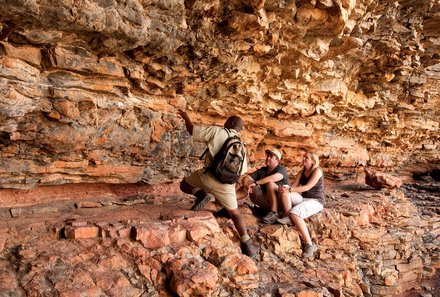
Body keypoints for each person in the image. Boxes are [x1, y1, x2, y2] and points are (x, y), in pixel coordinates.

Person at [177, 109, 259, 258]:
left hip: (206, 177)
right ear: (239, 129)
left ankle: (201, 193)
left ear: (229, 123)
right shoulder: (241, 145)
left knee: (184, 184)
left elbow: (192, 131)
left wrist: (186, 117)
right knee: (235, 214)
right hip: (226, 185)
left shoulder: (217, 132)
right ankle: (248, 244)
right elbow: (241, 172)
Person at [278, 151, 325, 258]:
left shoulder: (317, 171)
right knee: (285, 189)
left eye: (306, 158)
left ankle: (310, 244)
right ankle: (287, 215)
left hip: (316, 201)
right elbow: (293, 187)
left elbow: (307, 187)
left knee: (295, 213)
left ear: (313, 161)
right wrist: (284, 188)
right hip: (304, 199)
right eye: (303, 157)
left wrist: (289, 189)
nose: (304, 159)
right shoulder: (301, 172)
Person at [239, 149, 290, 224]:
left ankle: (274, 213)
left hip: (281, 202)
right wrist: (247, 186)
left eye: (271, 157)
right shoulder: (263, 170)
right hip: (267, 200)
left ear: (277, 161)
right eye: (268, 156)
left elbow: (274, 178)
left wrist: (256, 183)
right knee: (249, 185)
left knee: (270, 183)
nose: (268, 158)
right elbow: (246, 178)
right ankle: (230, 202)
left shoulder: (281, 169)